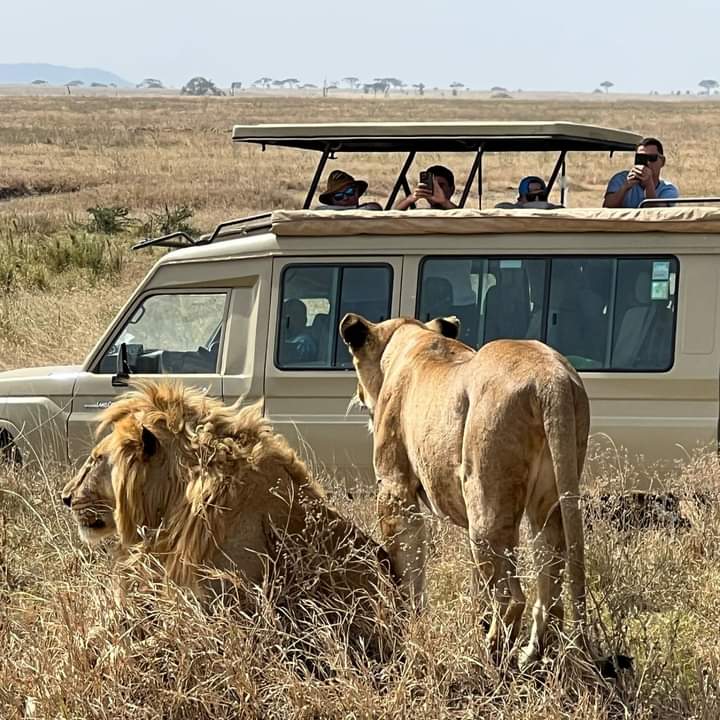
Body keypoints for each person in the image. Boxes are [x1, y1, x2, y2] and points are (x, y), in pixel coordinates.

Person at [603, 138, 679, 208]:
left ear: (662, 162)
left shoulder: (668, 189)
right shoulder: (620, 179)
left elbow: (656, 213)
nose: (647, 163)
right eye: (641, 158)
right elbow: (607, 207)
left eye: (652, 158)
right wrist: (625, 187)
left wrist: (649, 184)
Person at [316, 170, 381, 210]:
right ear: (332, 201)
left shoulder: (366, 214)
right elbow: (319, 210)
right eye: (339, 196)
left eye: (349, 191)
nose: (345, 198)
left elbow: (374, 207)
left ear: (357, 191)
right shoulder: (327, 218)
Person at [280, 298, 317, 363]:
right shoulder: (284, 338)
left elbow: (288, 359)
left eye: (295, 314)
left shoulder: (305, 341)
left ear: (304, 320)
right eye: (285, 315)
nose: (287, 319)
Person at [495, 176, 561, 209]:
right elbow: (499, 207)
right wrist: (521, 206)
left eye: (541, 196)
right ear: (521, 198)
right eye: (531, 197)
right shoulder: (512, 210)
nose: (537, 200)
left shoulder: (551, 211)